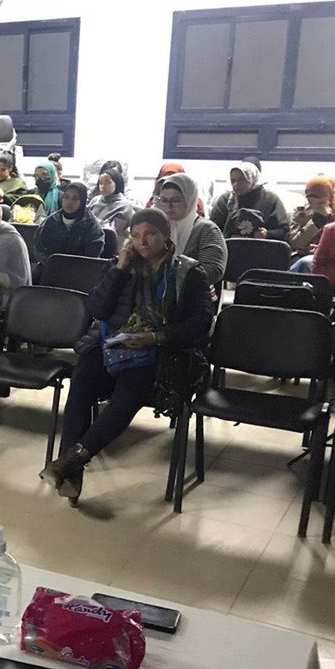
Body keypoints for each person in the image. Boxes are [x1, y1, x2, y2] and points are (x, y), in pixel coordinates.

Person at [41, 209, 214, 505]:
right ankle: (70, 467)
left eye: (150, 234)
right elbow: (98, 309)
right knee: (82, 379)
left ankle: (73, 460)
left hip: (161, 351)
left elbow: (201, 322)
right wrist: (119, 269)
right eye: (135, 235)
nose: (142, 242)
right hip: (112, 345)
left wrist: (155, 337)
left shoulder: (188, 272)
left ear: (165, 235)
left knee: (129, 390)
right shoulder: (119, 265)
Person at [155, 173, 228, 287]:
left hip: (193, 292)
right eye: (164, 200)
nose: (169, 206)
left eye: (175, 200)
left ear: (190, 200)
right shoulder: (155, 228)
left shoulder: (207, 230)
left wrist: (173, 272)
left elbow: (213, 270)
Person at [210, 162, 289, 241]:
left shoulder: (270, 199)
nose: (236, 184)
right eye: (233, 181)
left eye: (241, 180)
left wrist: (267, 234)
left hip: (262, 246)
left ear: (251, 179)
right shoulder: (226, 200)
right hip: (229, 246)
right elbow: (212, 229)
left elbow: (284, 231)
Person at [33, 181, 105, 264]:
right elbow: (39, 248)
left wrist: (69, 267)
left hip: (80, 269)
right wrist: (50, 263)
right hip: (52, 267)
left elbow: (92, 256)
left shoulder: (91, 225)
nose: (69, 201)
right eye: (66, 197)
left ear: (82, 201)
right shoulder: (51, 221)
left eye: (75, 198)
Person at [289, 176, 335, 273]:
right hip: (302, 255)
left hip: (329, 257)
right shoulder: (300, 212)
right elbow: (295, 243)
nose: (314, 204)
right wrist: (316, 221)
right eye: (310, 200)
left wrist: (320, 250)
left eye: (321, 201)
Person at [88, 166, 135, 239]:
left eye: (108, 182)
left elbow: (113, 231)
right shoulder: (95, 200)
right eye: (101, 183)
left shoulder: (125, 206)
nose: (103, 186)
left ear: (117, 183)